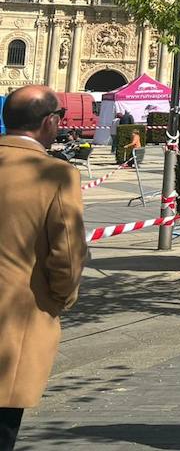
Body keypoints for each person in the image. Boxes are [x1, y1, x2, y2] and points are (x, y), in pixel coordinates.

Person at [0, 86, 84, 451]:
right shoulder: (56, 175)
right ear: (50, 122)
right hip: (15, 321)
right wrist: (58, 300)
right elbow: (66, 254)